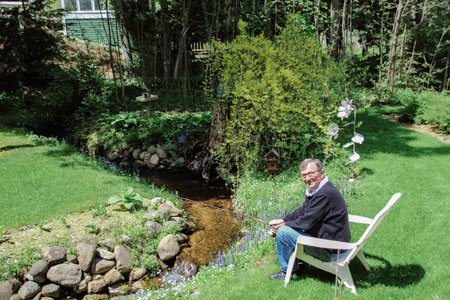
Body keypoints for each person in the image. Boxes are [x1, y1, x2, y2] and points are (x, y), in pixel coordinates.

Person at [268, 158, 351, 280]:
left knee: (283, 233)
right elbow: (303, 211)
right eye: (304, 175)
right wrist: (283, 220)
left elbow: (306, 222)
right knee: (285, 228)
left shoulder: (324, 194)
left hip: (332, 250)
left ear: (321, 173)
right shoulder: (320, 189)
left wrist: (282, 227)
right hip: (334, 243)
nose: (307, 178)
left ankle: (288, 271)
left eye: (311, 173)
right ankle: (299, 263)